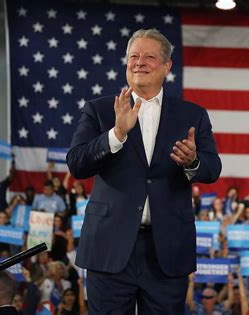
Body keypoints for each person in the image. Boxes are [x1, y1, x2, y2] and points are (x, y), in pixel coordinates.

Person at [66, 28, 221, 314]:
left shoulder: (192, 114)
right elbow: (76, 163)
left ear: (166, 66)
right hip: (109, 248)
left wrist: (192, 162)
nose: (139, 62)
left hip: (167, 250)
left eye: (149, 57)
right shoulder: (99, 110)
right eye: (134, 56)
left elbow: (212, 168)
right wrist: (116, 134)